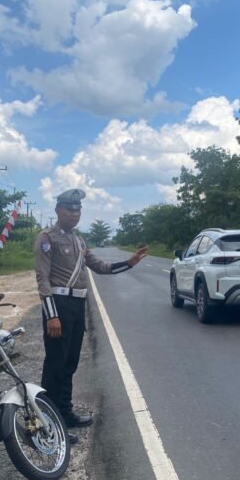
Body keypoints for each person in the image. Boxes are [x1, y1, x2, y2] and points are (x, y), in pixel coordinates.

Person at [34, 189, 148, 443]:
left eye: (78, 210)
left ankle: (65, 413)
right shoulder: (47, 238)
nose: (74, 214)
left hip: (77, 306)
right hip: (58, 305)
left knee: (70, 363)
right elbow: (42, 278)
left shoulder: (79, 241)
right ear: (58, 210)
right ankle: (49, 424)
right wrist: (51, 315)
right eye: (69, 209)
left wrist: (128, 263)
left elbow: (100, 267)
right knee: (55, 365)